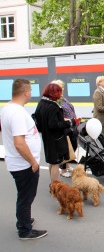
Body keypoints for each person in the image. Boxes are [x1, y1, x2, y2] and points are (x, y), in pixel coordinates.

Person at [0, 79, 47, 240]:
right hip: (23, 165)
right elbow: (19, 143)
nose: (31, 94)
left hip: (18, 163)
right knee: (26, 197)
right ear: (26, 92)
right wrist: (33, 162)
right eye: (31, 91)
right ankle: (24, 230)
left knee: (24, 196)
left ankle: (24, 219)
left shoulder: (8, 108)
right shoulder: (17, 113)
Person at [34, 83, 73, 182]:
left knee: (51, 161)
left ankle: (53, 185)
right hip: (56, 139)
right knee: (56, 162)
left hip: (47, 137)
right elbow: (53, 125)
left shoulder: (41, 103)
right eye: (59, 92)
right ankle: (55, 185)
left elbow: (37, 120)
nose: (61, 94)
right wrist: (68, 123)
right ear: (54, 93)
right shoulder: (53, 106)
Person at [52, 79, 78, 178]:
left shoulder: (63, 98)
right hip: (66, 128)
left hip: (71, 126)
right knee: (66, 149)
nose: (62, 89)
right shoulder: (57, 100)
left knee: (72, 147)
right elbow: (59, 116)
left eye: (62, 87)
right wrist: (67, 120)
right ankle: (63, 169)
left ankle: (66, 166)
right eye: (60, 87)